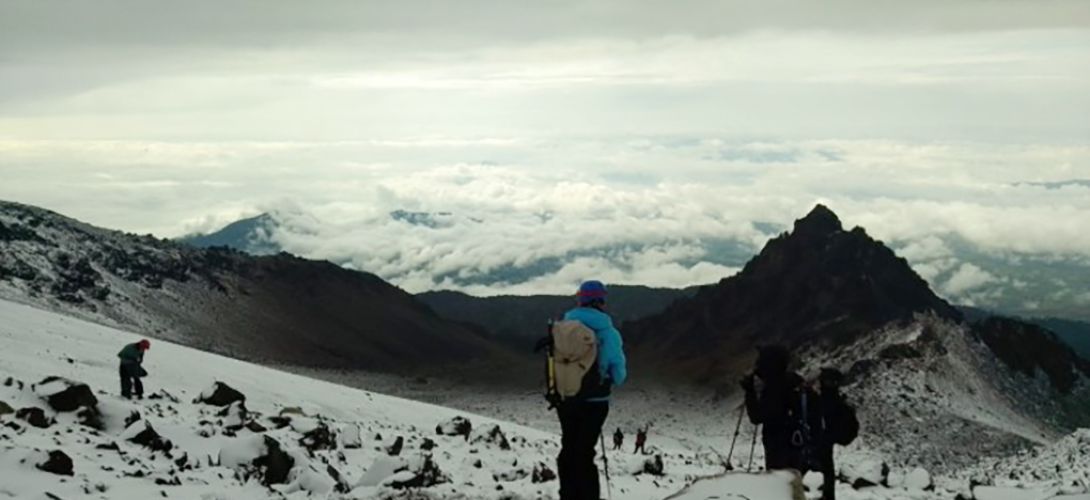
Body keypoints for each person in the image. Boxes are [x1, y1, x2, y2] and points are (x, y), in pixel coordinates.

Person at [556, 280, 627, 500]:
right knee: (585, 454)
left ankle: (567, 495)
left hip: (566, 398)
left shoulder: (562, 328)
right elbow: (619, 375)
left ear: (580, 299)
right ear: (600, 301)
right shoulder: (608, 333)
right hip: (595, 403)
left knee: (568, 449)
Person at [740, 344, 809, 471]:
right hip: (797, 443)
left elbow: (757, 417)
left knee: (779, 482)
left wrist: (750, 391)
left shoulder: (775, 387)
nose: (757, 365)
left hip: (778, 446)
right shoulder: (795, 381)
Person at [811, 368, 859, 500]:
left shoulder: (821, 401)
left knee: (821, 471)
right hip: (826, 442)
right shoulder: (839, 402)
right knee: (828, 472)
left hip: (816, 441)